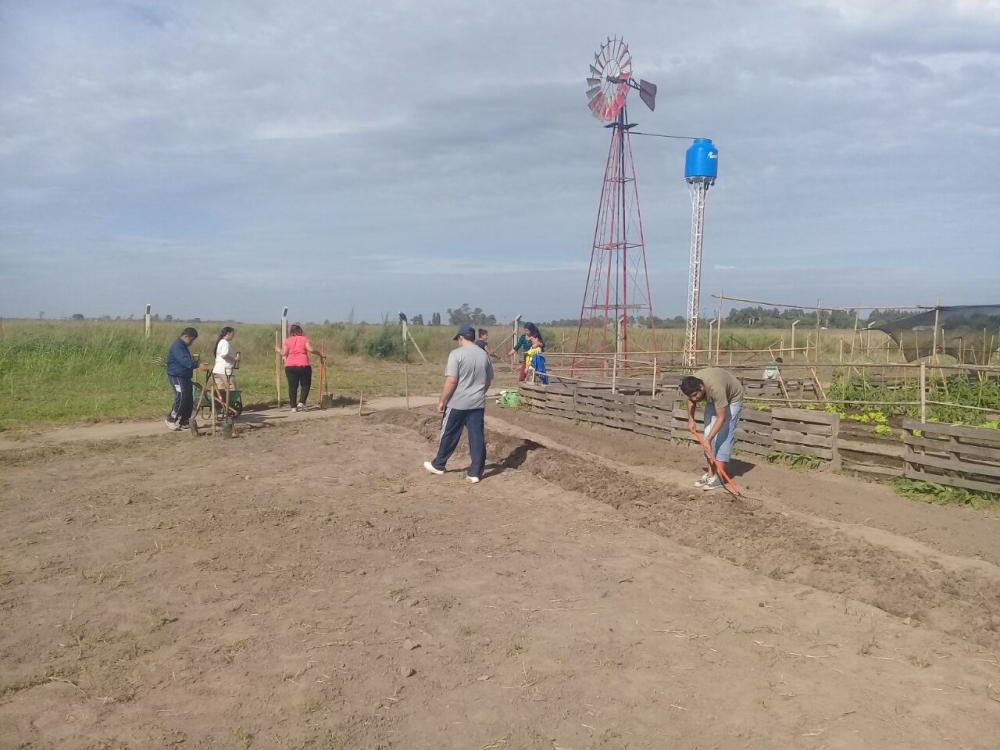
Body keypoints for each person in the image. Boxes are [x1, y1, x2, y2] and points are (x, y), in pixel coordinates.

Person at [424, 325, 494, 484]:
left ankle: (439, 464)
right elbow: (488, 380)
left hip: (457, 403)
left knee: (448, 433)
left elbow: (451, 380)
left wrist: (442, 400)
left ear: (461, 337)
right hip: (477, 403)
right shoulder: (484, 355)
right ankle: (475, 472)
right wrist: (479, 393)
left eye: (458, 339)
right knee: (477, 437)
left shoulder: (456, 354)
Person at [680, 368, 745, 491]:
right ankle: (710, 474)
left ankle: (719, 478)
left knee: (723, 436)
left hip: (732, 399)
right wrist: (691, 419)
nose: (694, 399)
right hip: (712, 398)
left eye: (695, 395)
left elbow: (721, 418)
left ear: (701, 387)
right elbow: (691, 400)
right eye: (691, 396)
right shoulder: (693, 384)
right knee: (708, 432)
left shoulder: (716, 389)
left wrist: (709, 439)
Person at [165, 327, 212, 431]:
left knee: (189, 399)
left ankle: (185, 420)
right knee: (181, 397)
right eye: (191, 340)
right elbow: (185, 361)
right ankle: (171, 418)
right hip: (176, 375)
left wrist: (198, 364)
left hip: (184, 376)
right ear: (185, 336)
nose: (191, 342)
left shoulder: (183, 346)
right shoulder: (177, 346)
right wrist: (198, 364)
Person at [275, 324, 325, 412]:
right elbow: (311, 350)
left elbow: (283, 353)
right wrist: (320, 354)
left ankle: (293, 407)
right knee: (305, 385)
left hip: (290, 366)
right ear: (300, 331)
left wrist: (278, 349)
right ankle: (301, 402)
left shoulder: (288, 341)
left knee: (292, 386)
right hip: (303, 365)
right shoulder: (304, 339)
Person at [213, 327, 239, 391]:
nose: (233, 335)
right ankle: (229, 401)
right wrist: (234, 358)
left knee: (221, 390)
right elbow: (224, 355)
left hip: (217, 370)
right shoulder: (225, 343)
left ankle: (221, 401)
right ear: (228, 333)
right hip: (225, 371)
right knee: (231, 389)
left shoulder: (220, 342)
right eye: (233, 333)